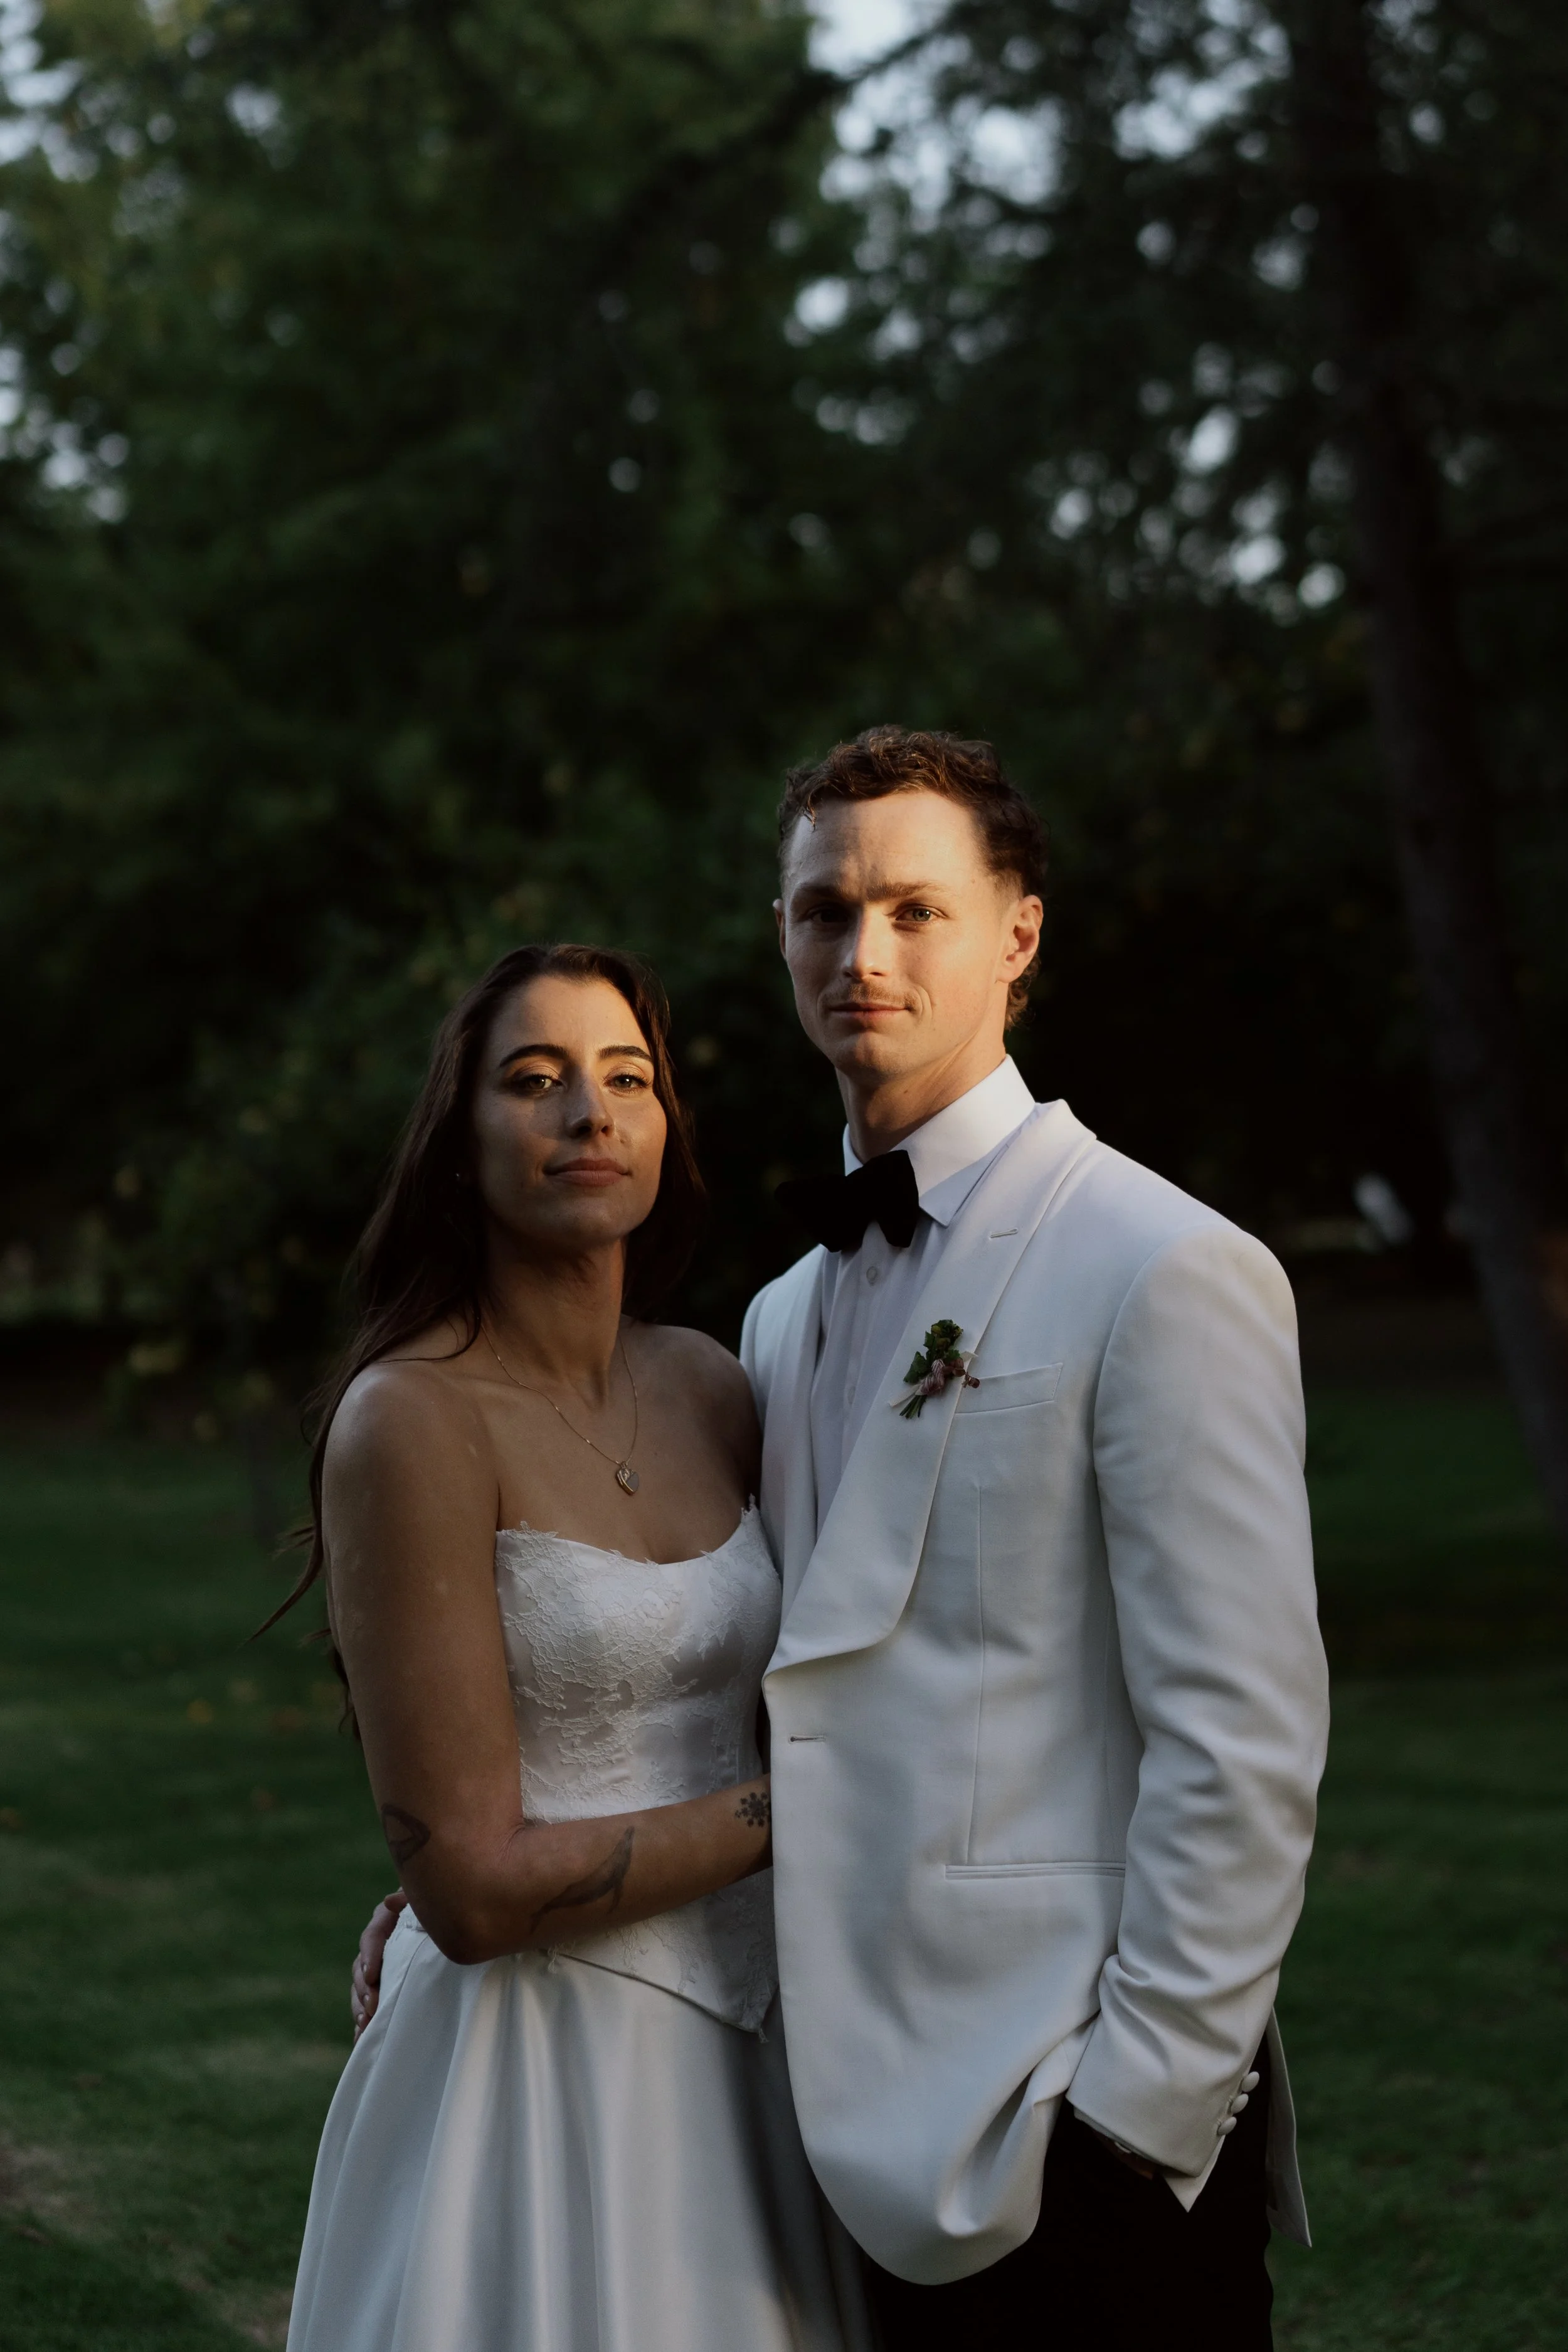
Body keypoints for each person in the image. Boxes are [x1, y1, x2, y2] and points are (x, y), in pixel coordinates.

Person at [354, 726, 1330, 2352]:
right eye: (821, 910)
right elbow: (761, 1663)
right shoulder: (777, 1314)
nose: (859, 952)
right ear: (781, 936)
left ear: (1015, 935)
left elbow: (1243, 1736)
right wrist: (477, 1856)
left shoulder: (1162, 1265)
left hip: (1064, 2130)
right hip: (809, 2120)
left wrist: (1133, 2117)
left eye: (913, 909)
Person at [282, 942, 871, 2352]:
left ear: (666, 1124)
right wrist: (800, 1810)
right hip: (537, 2065)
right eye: (533, 1081)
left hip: (763, 2047)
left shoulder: (717, 1385)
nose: (587, 1114)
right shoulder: (411, 1420)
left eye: (626, 1077)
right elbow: (477, 1893)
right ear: (459, 1135)